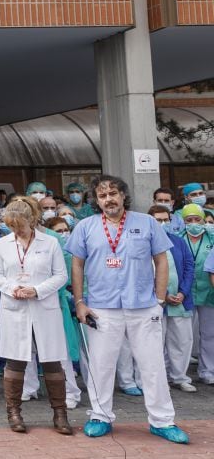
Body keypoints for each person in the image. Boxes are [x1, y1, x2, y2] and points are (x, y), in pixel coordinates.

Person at [67, 175, 188, 443]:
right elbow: (77, 265)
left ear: (123, 195)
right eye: (102, 195)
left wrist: (158, 300)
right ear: (96, 200)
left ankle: (162, 421)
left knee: (153, 365)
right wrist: (79, 302)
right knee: (101, 365)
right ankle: (100, 416)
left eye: (113, 193)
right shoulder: (85, 227)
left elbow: (161, 260)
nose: (108, 199)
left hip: (143, 305)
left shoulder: (146, 223)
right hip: (101, 307)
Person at [0, 199, 72, 435]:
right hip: (15, 306)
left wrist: (37, 290)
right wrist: (11, 288)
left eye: (20, 226)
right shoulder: (3, 244)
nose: (16, 231)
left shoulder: (51, 243)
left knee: (52, 360)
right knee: (15, 359)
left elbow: (60, 276)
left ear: (32, 219)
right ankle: (14, 412)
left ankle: (60, 413)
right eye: (12, 226)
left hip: (43, 306)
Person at [149, 206, 196, 392]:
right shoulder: (145, 244)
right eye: (158, 220)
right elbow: (143, 273)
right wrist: (163, 295)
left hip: (180, 300)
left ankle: (180, 377)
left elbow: (189, 267)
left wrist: (182, 292)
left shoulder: (178, 242)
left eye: (165, 220)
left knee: (182, 341)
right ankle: (159, 379)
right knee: (155, 343)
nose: (162, 224)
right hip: (157, 302)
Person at [176, 203, 214, 386]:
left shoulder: (211, 237)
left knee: (209, 334)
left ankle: (207, 371)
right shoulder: (179, 238)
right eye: (188, 220)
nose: (193, 223)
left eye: (197, 219)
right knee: (184, 336)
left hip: (209, 292)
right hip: (186, 293)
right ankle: (179, 374)